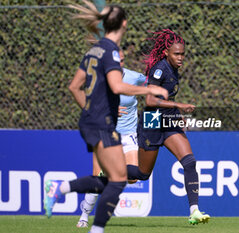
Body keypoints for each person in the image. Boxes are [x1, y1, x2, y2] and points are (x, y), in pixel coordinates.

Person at [43, 2, 168, 233]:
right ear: (124, 23)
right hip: (102, 124)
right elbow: (117, 85)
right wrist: (150, 90)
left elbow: (74, 87)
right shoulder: (110, 49)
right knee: (119, 178)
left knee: (117, 177)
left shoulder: (94, 50)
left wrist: (90, 109)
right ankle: (88, 220)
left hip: (93, 122)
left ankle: (61, 191)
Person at [127, 29, 210, 225]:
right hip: (152, 122)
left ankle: (194, 211)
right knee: (142, 174)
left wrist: (177, 115)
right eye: (177, 54)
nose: (181, 57)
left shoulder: (174, 69)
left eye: (183, 54)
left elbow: (168, 97)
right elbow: (150, 100)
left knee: (189, 162)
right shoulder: (159, 69)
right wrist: (179, 106)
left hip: (169, 120)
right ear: (166, 52)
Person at [76, 49, 146, 228]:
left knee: (134, 178)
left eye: (121, 60)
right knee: (97, 176)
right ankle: (84, 215)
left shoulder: (134, 77)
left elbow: (151, 86)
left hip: (129, 135)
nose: (118, 63)